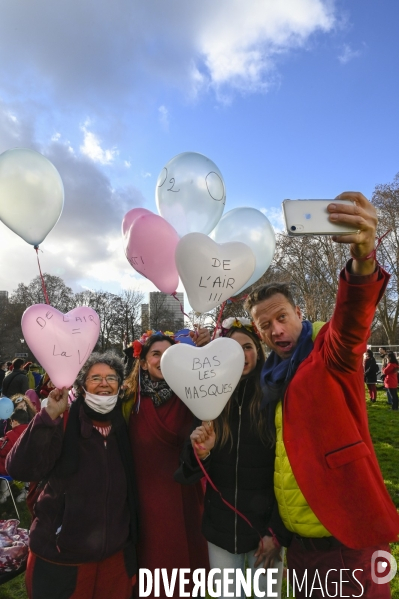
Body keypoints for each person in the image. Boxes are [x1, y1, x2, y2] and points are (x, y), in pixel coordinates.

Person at [244, 192, 399, 598]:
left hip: (347, 537)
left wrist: (363, 260)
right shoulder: (269, 378)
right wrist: (279, 530)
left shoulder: (328, 353)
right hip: (301, 546)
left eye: (281, 317)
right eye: (265, 326)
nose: (275, 330)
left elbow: (351, 325)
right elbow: (285, 463)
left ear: (299, 313)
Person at [6, 351, 138, 599]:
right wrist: (48, 417)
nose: (104, 383)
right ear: (82, 384)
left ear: (120, 385)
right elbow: (20, 468)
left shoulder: (125, 425)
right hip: (62, 560)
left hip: (114, 560)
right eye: (95, 377)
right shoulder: (64, 420)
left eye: (111, 377)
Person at [175, 318, 290, 599]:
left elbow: (289, 469)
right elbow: (189, 471)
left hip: (266, 529)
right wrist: (202, 452)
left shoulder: (276, 397)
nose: (242, 355)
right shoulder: (209, 397)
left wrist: (275, 532)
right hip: (221, 528)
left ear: (259, 351)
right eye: (233, 348)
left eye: (248, 347)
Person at [123, 330, 210, 599]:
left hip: (183, 493)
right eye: (156, 354)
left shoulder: (192, 396)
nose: (162, 359)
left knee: (183, 567)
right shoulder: (128, 400)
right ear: (144, 361)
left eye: (169, 354)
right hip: (143, 497)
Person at [0, 410, 30, 504]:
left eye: (11, 421)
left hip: (12, 469)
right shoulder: (31, 431)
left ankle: (5, 492)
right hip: (29, 467)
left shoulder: (11, 435)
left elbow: (2, 451)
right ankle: (27, 489)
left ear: (15, 421)